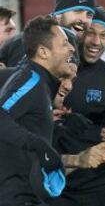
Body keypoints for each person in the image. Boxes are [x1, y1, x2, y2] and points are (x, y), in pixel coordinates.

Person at [52, 6, 105, 206]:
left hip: (103, 188)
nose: (96, 42)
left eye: (104, 35)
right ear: (80, 33)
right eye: (91, 33)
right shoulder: (53, 73)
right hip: (58, 186)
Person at [0, 16, 75, 205]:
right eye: (65, 44)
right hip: (16, 197)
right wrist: (40, 147)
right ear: (43, 52)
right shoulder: (31, 79)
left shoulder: (37, 82)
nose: (72, 49)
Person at [0, 0, 96, 67]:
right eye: (77, 11)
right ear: (58, 15)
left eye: (89, 15)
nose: (84, 20)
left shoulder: (83, 51)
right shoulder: (28, 42)